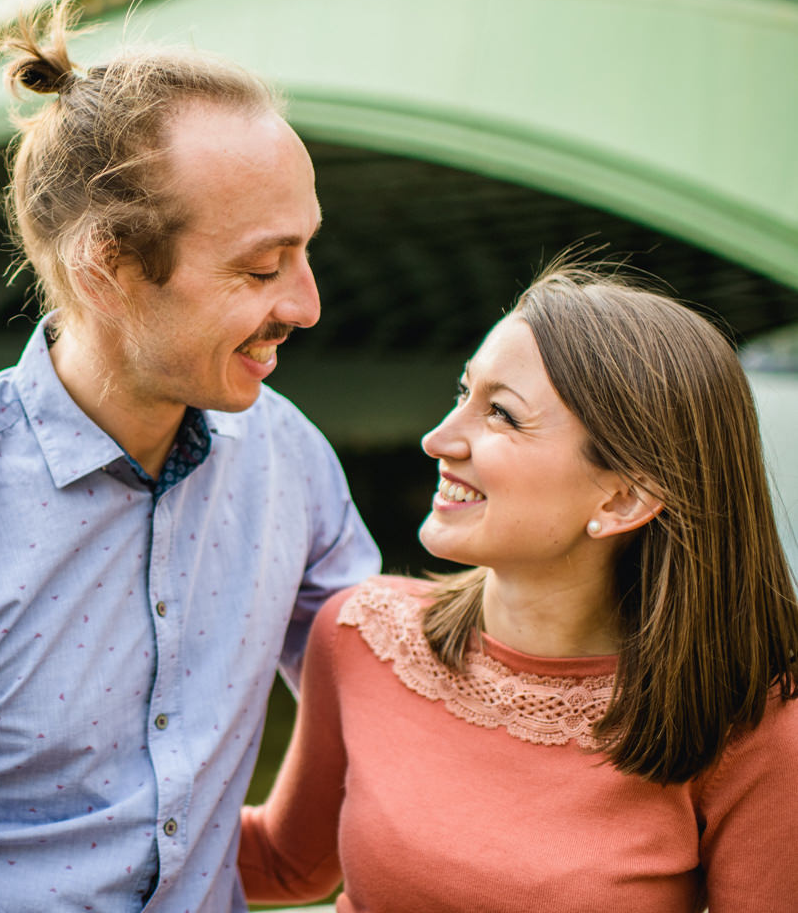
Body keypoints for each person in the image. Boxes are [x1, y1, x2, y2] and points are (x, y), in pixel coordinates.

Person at [0, 0, 379, 912]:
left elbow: (389, 687)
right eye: (262, 269)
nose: (308, 303)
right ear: (109, 269)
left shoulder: (288, 455)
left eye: (306, 254)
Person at [239, 260, 798, 912]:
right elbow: (286, 863)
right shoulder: (361, 633)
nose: (438, 438)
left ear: (623, 498)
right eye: (462, 392)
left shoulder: (754, 724)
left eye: (501, 415)